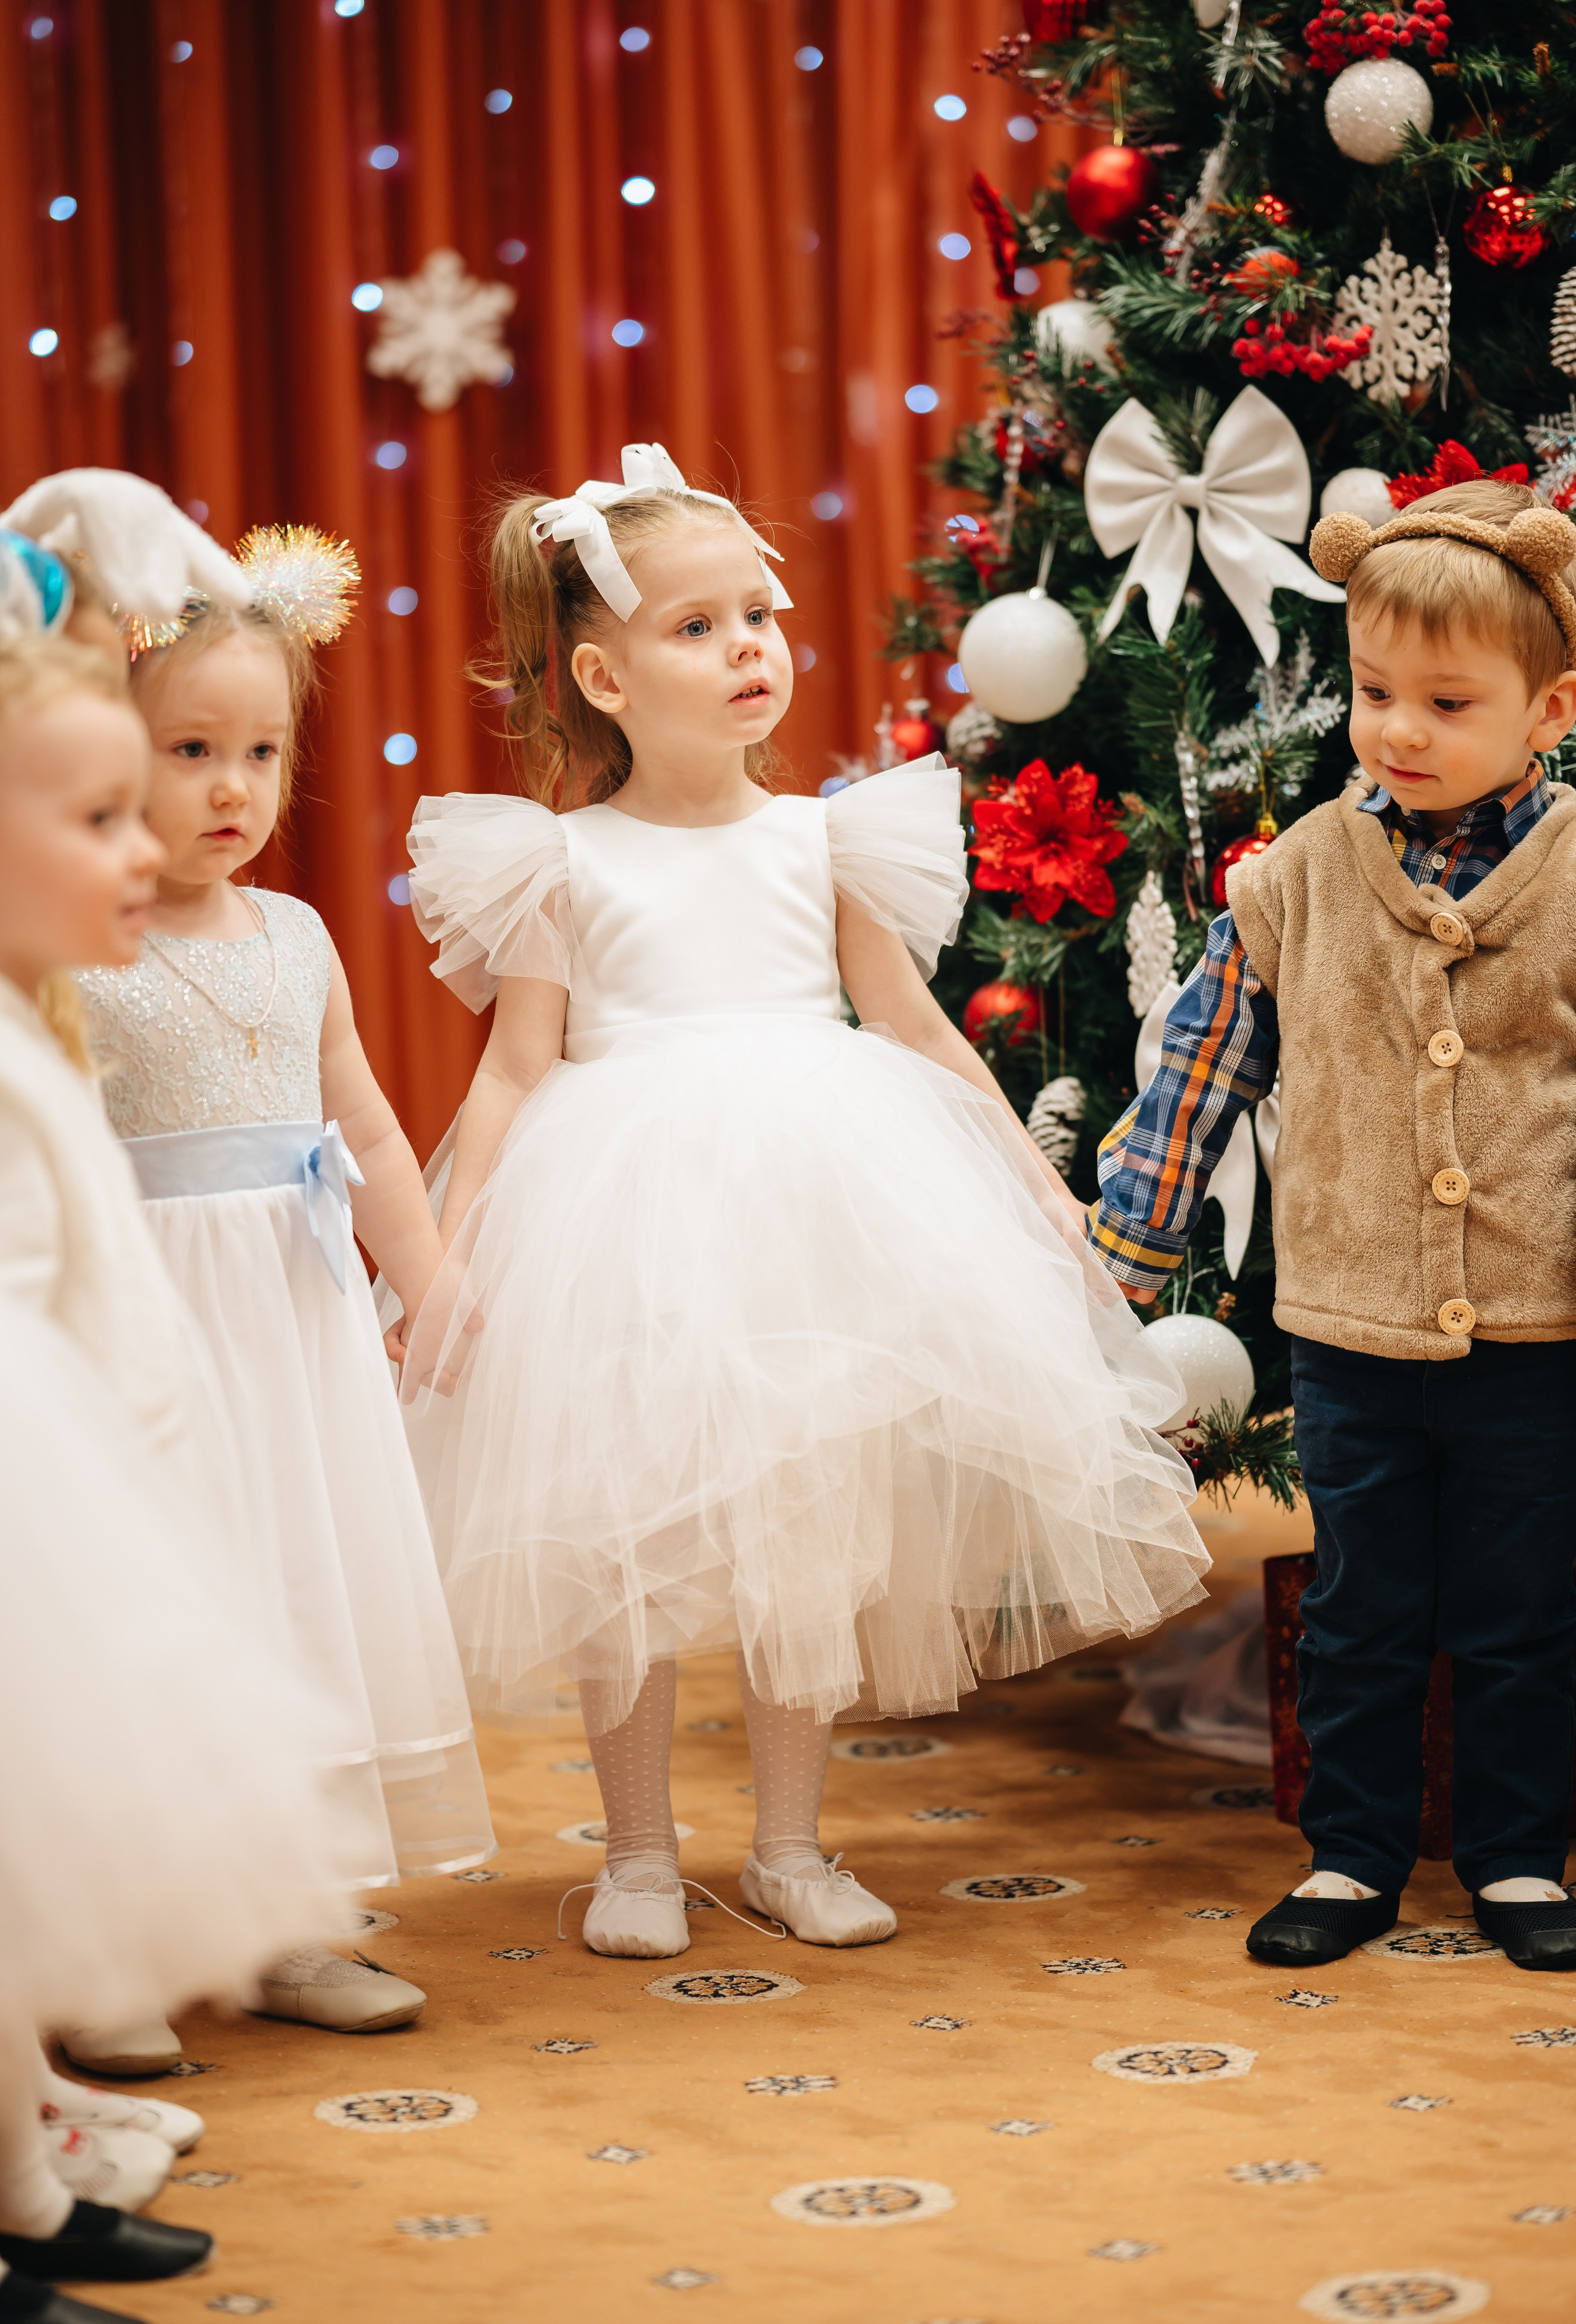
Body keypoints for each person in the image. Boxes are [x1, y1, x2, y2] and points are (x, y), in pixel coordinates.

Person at [392, 442, 1207, 1963]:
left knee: (805, 1524)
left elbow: (904, 1022)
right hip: (618, 1214)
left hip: (817, 1200)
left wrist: (1026, 1179)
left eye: (754, 615)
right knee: (617, 1531)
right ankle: (634, 1856)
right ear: (603, 676)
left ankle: (785, 1846)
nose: (743, 648)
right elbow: (510, 1072)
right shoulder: (559, 861)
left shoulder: (824, 835)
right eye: (693, 628)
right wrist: (442, 1258)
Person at [1088, 480, 1576, 1972]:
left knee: (1519, 1617)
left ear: (1547, 707)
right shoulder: (1293, 877)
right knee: (1358, 1613)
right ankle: (1352, 1854)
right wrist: (1121, 1262)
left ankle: (1511, 1857)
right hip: (1353, 1329)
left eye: (1445, 700)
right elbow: (1195, 1070)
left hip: (1537, 1333)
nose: (1398, 730)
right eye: (1372, 693)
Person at [73, 527, 493, 2063]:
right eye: (190, 749)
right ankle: (110, 1941)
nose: (232, 788)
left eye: (258, 751)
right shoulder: (65, 945)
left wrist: (428, 1271)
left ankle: (286, 1919)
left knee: (297, 1607)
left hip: (292, 1331)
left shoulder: (299, 936)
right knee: (145, 1618)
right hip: (142, 1335)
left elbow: (363, 1127)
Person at [0, 632, 350, 2323]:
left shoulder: (271, 947)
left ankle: (29, 2185)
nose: (158, 838)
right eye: (107, 810)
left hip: (167, 1399)